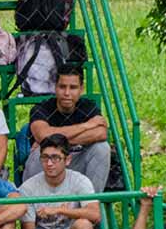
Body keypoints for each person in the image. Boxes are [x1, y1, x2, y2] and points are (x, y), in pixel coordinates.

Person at [23, 63, 111, 193]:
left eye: (73, 87)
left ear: (81, 89)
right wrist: (86, 126)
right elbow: (42, 135)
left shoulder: (88, 107)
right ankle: (35, 202)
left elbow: (101, 133)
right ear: (55, 87)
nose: (67, 93)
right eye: (62, 87)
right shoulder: (42, 108)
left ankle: (90, 203)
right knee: (40, 154)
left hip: (76, 162)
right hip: (47, 165)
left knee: (102, 148)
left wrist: (53, 139)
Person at [18, 134, 100, 229]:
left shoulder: (80, 180)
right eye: (45, 158)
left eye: (55, 158)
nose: (49, 163)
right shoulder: (28, 187)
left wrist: (60, 210)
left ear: (67, 160)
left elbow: (95, 215)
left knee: (84, 225)